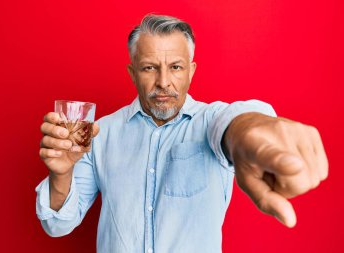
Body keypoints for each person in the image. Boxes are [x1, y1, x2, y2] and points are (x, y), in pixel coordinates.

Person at [36, 14, 328, 253]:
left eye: (175, 67)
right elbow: (58, 225)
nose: (163, 82)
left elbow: (234, 121)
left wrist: (249, 130)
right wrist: (61, 174)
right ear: (132, 73)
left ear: (191, 71)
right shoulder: (101, 133)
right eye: (149, 68)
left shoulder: (210, 121)